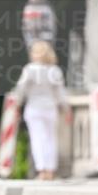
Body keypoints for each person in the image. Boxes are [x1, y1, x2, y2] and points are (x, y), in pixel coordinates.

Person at [12, 39, 69, 180]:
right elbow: (60, 93)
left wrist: (17, 105)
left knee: (37, 139)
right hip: (50, 108)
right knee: (51, 139)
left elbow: (20, 90)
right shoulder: (55, 71)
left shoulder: (29, 69)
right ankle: (50, 170)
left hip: (34, 108)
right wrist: (66, 109)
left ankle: (42, 170)